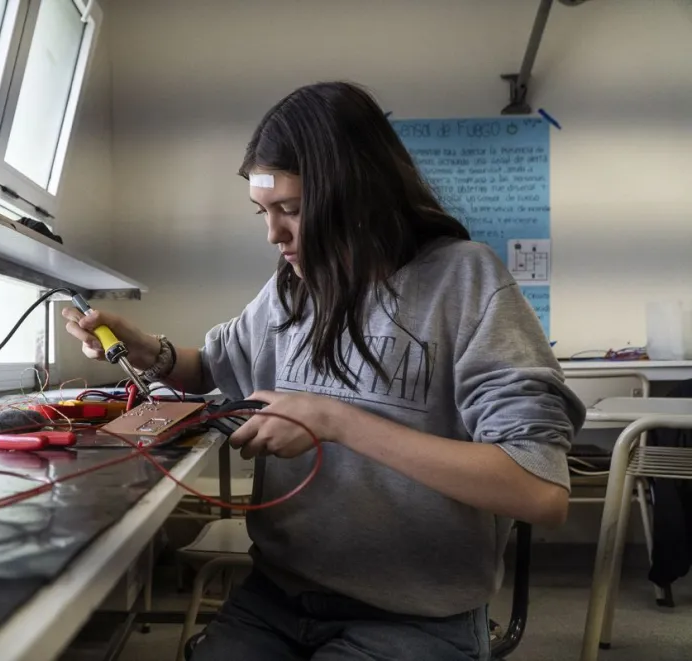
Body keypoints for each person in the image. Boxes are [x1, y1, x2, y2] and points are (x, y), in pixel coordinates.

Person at [62, 81, 586, 661]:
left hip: (412, 617)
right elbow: (212, 366)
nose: (273, 234)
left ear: (359, 193)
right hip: (276, 599)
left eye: (291, 209)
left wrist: (335, 421)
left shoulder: (465, 282)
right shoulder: (292, 287)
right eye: (264, 212)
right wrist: (147, 349)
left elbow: (538, 489)